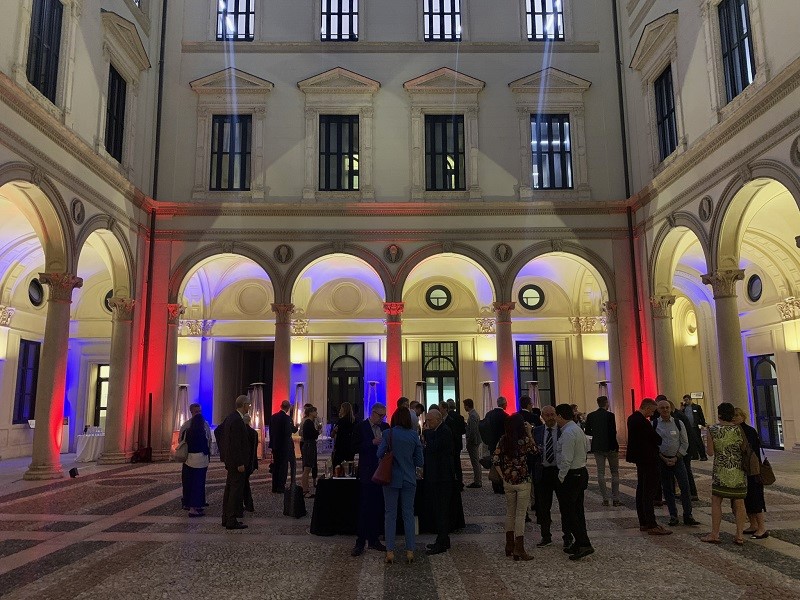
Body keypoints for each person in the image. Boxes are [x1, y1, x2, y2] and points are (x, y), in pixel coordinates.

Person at [378, 407, 424, 565]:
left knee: (390, 514)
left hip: (390, 478)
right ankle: (410, 550)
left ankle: (390, 551)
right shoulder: (413, 435)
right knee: (408, 514)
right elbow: (420, 461)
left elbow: (379, 453)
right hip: (409, 479)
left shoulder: (388, 433)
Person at [492, 412, 537, 560]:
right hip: (523, 480)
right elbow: (535, 451)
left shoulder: (504, 440)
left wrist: (503, 475)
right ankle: (519, 548)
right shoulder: (524, 440)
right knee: (520, 515)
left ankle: (509, 545)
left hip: (509, 481)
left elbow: (496, 460)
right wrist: (530, 432)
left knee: (510, 513)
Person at [702, 402, 748, 545]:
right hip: (737, 469)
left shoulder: (712, 429)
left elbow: (710, 453)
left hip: (721, 470)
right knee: (739, 502)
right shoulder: (739, 429)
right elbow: (743, 448)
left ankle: (715, 533)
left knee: (716, 501)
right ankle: (739, 535)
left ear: (719, 414)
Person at [626, 398, 671, 535]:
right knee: (648, 492)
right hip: (648, 460)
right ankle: (651, 523)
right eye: (651, 411)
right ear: (646, 408)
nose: (652, 414)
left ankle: (644, 522)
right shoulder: (641, 421)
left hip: (641, 459)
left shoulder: (631, 418)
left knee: (641, 490)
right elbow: (655, 438)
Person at [554, 404, 593, 560]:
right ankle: (580, 542)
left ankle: (584, 543)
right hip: (579, 473)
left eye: (556, 416)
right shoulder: (576, 429)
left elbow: (566, 459)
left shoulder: (569, 433)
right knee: (577, 511)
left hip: (572, 476)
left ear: (561, 416)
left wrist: (561, 477)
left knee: (570, 512)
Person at [654, 399, 700, 527]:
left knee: (685, 487)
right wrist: (663, 458)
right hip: (663, 461)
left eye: (667, 407)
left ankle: (688, 514)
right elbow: (654, 444)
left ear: (671, 409)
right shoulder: (655, 424)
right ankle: (673, 515)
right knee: (668, 489)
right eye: (662, 408)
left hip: (678, 460)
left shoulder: (678, 423)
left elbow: (684, 442)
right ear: (658, 410)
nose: (665, 410)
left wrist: (676, 457)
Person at [351, 403, 389, 557]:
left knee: (377, 507)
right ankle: (360, 542)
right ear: (373, 413)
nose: (382, 418)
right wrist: (371, 443)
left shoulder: (386, 427)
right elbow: (353, 447)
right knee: (365, 507)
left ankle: (374, 539)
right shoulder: (361, 427)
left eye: (384, 415)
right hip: (367, 472)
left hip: (382, 473)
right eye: (380, 415)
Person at [532, 405, 572, 549]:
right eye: (547, 415)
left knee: (565, 505)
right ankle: (545, 535)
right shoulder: (536, 431)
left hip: (559, 471)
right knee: (543, 507)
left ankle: (567, 535)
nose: (550, 418)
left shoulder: (564, 431)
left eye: (552, 414)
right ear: (542, 416)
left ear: (556, 415)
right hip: (543, 473)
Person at [216, 395, 252, 530]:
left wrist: (225, 454)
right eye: (248, 404)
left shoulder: (230, 417)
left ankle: (226, 517)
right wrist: (239, 463)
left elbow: (220, 433)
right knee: (235, 491)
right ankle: (231, 520)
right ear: (244, 405)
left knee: (229, 489)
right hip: (236, 463)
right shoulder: (237, 420)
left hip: (231, 460)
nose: (249, 407)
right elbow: (236, 444)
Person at [732, 407, 768, 539]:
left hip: (753, 470)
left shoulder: (748, 431)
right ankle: (753, 524)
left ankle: (762, 528)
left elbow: (749, 450)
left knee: (756, 498)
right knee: (747, 498)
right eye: (733, 416)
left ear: (743, 416)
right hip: (745, 470)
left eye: (737, 415)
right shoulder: (737, 430)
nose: (735, 418)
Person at [423, 408, 455, 555]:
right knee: (439, 509)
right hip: (437, 476)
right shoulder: (438, 431)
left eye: (429, 420)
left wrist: (427, 433)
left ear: (437, 419)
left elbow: (435, 448)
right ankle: (443, 539)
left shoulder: (444, 431)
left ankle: (441, 542)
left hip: (442, 477)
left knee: (442, 510)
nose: (427, 423)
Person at [583, 395, 621, 507]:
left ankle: (605, 498)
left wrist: (597, 435)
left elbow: (588, 431)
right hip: (610, 446)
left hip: (598, 447)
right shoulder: (610, 415)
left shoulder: (591, 415)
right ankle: (616, 498)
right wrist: (615, 446)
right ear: (606, 403)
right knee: (614, 472)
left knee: (601, 472)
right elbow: (613, 432)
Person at [179, 403, 211, 510]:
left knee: (199, 481)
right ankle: (188, 501)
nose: (198, 414)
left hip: (197, 457)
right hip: (190, 457)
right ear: (191, 412)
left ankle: (199, 500)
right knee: (189, 481)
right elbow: (181, 440)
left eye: (199, 411)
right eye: (196, 412)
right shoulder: (186, 425)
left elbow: (209, 439)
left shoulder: (205, 424)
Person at [269, 400, 297, 493]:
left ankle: (274, 486)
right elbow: (289, 432)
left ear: (281, 406)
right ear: (288, 408)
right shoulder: (287, 418)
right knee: (283, 466)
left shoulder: (273, 417)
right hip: (284, 446)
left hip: (275, 445)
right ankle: (281, 487)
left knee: (276, 466)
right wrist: (296, 427)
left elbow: (271, 432)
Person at [482, 396, 509, 494]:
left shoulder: (489, 414)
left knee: (494, 465)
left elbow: (484, 428)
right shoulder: (505, 416)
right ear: (504, 404)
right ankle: (501, 486)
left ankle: (495, 486)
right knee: (502, 465)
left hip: (492, 444)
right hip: (502, 445)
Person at [444, 399, 466, 488]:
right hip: (458, 443)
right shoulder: (460, 417)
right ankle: (460, 482)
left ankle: (451, 482)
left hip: (450, 444)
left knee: (450, 464)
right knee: (457, 463)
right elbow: (463, 431)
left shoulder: (447, 417)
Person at [300, 405, 321, 497]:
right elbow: (312, 435)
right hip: (309, 445)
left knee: (307, 467)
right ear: (310, 413)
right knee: (307, 468)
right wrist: (318, 431)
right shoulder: (308, 422)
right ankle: (305, 490)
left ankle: (306, 489)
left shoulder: (308, 422)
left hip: (309, 444)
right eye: (315, 411)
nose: (316, 413)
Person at [682, 394, 708, 460]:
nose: (686, 402)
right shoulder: (684, 408)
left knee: (698, 441)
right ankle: (694, 455)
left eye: (686, 400)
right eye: (684, 400)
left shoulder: (697, 407)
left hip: (695, 426)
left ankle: (703, 456)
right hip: (688, 427)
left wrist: (703, 423)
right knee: (691, 442)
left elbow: (701, 416)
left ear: (690, 399)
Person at [463, 398, 482, 488]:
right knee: (475, 461)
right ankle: (478, 480)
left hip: (473, 441)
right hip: (475, 440)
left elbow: (473, 431)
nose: (464, 407)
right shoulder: (473, 414)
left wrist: (470, 441)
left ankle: (477, 481)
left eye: (464, 406)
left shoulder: (473, 415)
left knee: (475, 462)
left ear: (467, 406)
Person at [242, 412, 258, 514]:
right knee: (245, 482)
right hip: (251, 461)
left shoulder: (242, 432)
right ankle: (248, 504)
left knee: (243, 483)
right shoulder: (254, 433)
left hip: (243, 462)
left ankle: (248, 504)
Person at [332, 401, 356, 467]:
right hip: (350, 447)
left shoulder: (341, 421)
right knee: (349, 466)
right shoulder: (354, 421)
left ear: (343, 410)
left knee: (338, 467)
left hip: (341, 447)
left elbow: (338, 435)